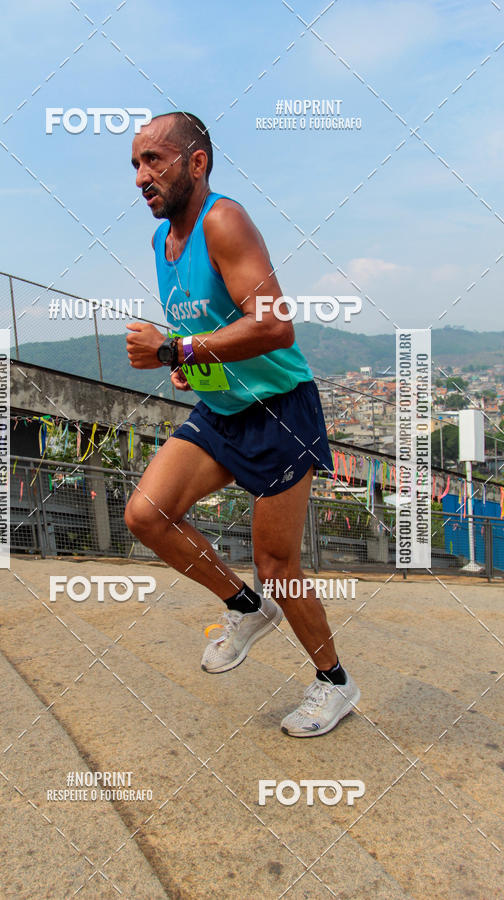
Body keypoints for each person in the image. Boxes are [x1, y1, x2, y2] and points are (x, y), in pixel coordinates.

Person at [124, 111, 359, 737]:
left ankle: (334, 683)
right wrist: (187, 358)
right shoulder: (160, 242)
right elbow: (207, 329)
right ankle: (243, 607)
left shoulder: (222, 220)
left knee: (278, 563)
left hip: (281, 412)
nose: (143, 175)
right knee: (146, 515)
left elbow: (275, 325)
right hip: (222, 410)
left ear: (196, 163)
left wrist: (175, 351)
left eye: (155, 160)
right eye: (136, 165)